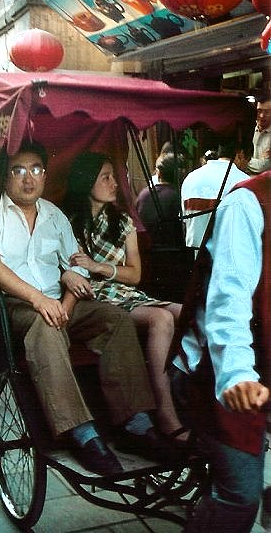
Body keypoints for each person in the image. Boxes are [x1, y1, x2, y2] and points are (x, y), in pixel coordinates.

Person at [0, 139, 169, 476]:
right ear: (6, 177)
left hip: (60, 301)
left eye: (35, 169)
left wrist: (65, 300)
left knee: (116, 320)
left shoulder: (54, 215)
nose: (28, 178)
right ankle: (81, 431)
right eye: (18, 171)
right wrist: (40, 300)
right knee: (46, 325)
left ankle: (134, 421)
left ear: (45, 175)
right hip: (15, 304)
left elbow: (76, 264)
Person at [62, 152, 188, 446]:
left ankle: (188, 394)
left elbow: (134, 275)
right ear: (87, 180)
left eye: (113, 176)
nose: (114, 183)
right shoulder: (67, 222)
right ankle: (166, 414)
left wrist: (99, 267)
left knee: (188, 312)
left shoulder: (123, 222)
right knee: (161, 318)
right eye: (105, 177)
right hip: (96, 299)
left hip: (127, 293)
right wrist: (90, 272)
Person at [171, 170, 271, 533]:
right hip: (215, 370)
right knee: (241, 496)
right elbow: (228, 300)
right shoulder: (247, 203)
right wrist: (237, 374)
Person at [181, 136, 251, 252]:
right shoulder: (244, 181)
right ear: (241, 154)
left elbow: (185, 220)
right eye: (247, 160)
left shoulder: (191, 178)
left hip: (194, 257)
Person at [136, 152, 184, 248]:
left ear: (159, 173)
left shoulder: (143, 194)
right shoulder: (178, 196)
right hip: (171, 253)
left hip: (145, 252)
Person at [248, 95, 271, 174]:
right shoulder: (247, 130)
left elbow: (263, 166)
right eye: (259, 111)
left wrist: (245, 160)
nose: (262, 115)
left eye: (267, 112)